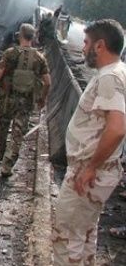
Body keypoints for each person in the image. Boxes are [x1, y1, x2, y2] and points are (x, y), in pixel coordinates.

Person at [52, 19, 126, 265]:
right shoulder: (117, 72)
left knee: (66, 235)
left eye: (86, 43)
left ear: (100, 46)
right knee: (84, 232)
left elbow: (116, 128)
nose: (82, 48)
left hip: (89, 172)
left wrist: (91, 167)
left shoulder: (110, 77)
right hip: (96, 170)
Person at [0, 23, 51, 177]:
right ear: (33, 38)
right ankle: (7, 165)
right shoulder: (40, 58)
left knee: (2, 125)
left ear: (19, 35)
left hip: (7, 98)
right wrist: (42, 99)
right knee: (18, 133)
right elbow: (47, 82)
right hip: (26, 101)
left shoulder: (10, 53)